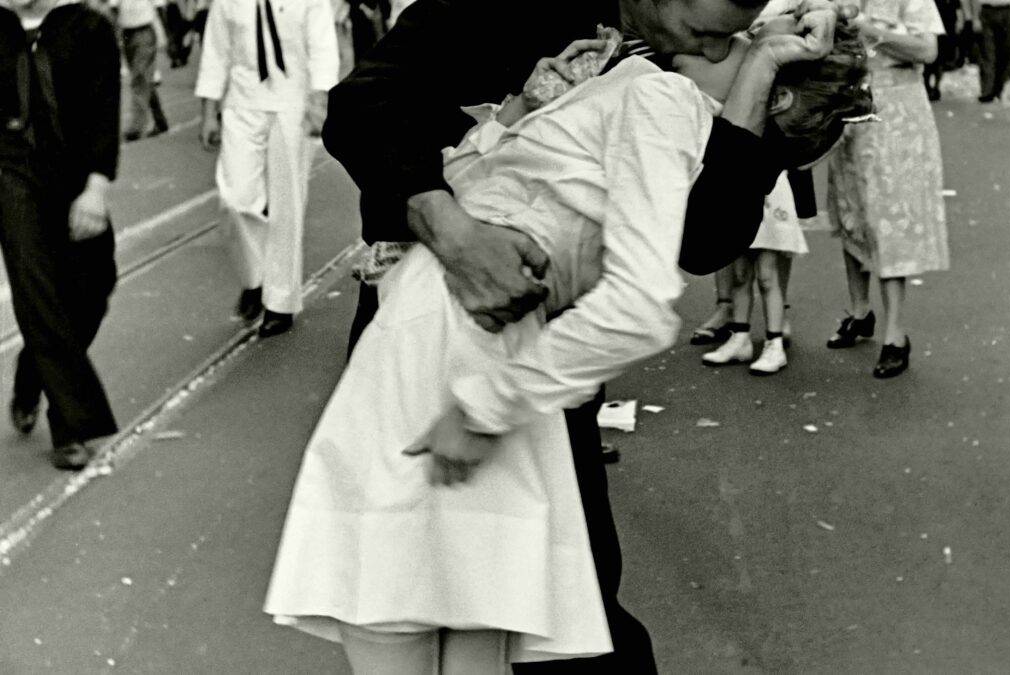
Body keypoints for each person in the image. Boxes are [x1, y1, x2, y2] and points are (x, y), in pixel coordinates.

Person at [265, 19, 872, 673]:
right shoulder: (668, 109)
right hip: (497, 349)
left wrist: (485, 404)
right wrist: (526, 111)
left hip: (447, 337)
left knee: (392, 600)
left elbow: (648, 290)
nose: (715, 43)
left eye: (738, 40)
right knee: (473, 609)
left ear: (770, 93)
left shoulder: (661, 98)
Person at [0, 0, 121, 470]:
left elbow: (104, 109)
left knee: (93, 288)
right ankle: (73, 425)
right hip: (10, 173)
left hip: (73, 172)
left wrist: (94, 188)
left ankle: (32, 372)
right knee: (37, 292)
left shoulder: (87, 27)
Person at [194, 0, 339, 337]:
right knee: (236, 199)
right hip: (242, 105)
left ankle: (280, 303)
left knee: (287, 207)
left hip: (293, 104)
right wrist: (207, 113)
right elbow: (216, 52)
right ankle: (254, 278)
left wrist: (319, 101)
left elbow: (322, 47)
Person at [824, 0, 947, 379]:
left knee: (889, 217)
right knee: (850, 210)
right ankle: (860, 311)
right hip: (848, 106)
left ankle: (896, 335)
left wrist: (868, 28)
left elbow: (927, 49)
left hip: (897, 112)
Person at [698, 171, 809, 374]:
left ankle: (774, 344)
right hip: (737, 189)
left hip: (768, 190)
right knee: (740, 274)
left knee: (767, 275)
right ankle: (740, 338)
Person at [112, 0, 170, 140]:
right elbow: (113, 8)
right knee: (143, 78)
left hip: (145, 31)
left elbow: (160, 7)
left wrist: (166, 35)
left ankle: (136, 127)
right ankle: (160, 119)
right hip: (126, 33)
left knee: (139, 78)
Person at [970, 0, 1010, 103]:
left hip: (1009, 12)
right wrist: (975, 18)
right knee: (987, 51)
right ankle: (987, 91)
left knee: (1006, 52)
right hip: (987, 11)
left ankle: (999, 88)